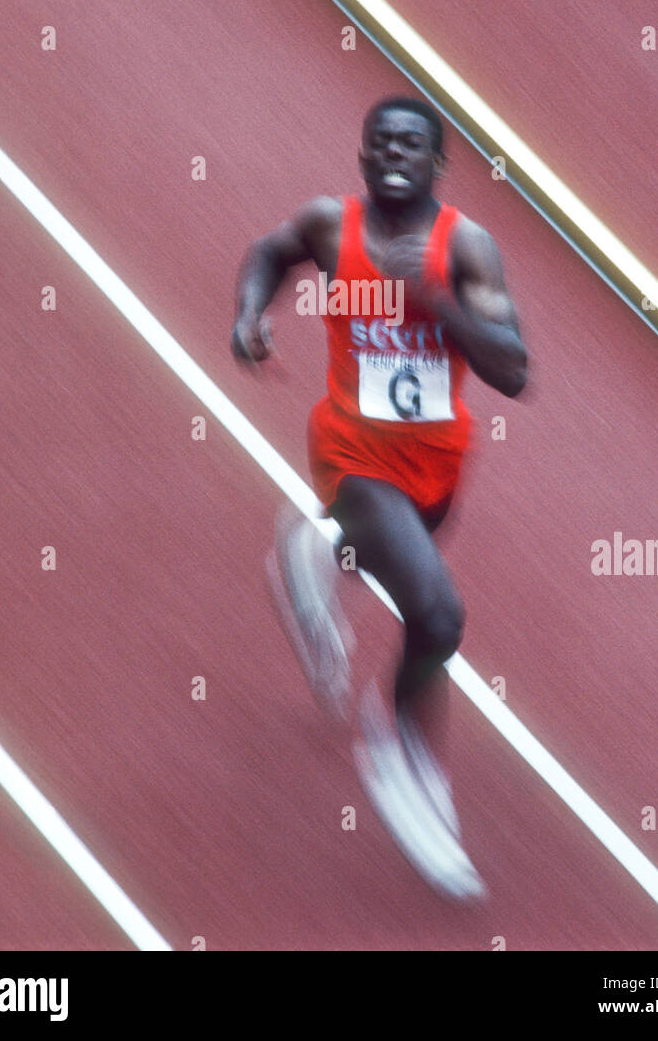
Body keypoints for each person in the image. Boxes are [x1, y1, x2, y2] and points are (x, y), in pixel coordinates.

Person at [231, 96, 527, 897]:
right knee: (438, 615)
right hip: (351, 448)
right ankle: (395, 744)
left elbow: (514, 370)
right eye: (380, 142)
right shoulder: (331, 225)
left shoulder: (466, 247)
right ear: (363, 157)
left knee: (403, 566)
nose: (394, 152)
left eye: (412, 143)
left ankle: (320, 552)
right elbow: (269, 252)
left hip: (435, 463)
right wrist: (249, 312)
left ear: (438, 163)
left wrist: (438, 305)